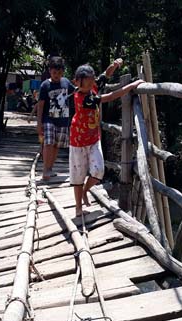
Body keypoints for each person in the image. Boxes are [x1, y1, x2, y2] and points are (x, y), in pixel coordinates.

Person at [70, 64, 143, 217]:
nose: (91, 85)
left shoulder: (92, 88)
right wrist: (131, 86)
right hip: (78, 141)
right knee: (78, 175)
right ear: (76, 82)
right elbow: (109, 97)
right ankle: (78, 207)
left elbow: (104, 76)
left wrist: (114, 66)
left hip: (93, 139)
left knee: (98, 171)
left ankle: (85, 190)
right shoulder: (83, 98)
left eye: (92, 82)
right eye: (87, 83)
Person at [36, 56, 75, 180]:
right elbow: (41, 105)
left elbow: (77, 92)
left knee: (56, 145)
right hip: (49, 119)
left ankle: (50, 168)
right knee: (48, 143)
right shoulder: (45, 85)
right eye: (54, 73)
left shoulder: (66, 83)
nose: (56, 75)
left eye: (59, 73)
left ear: (63, 71)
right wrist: (39, 123)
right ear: (49, 71)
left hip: (63, 120)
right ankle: (45, 170)